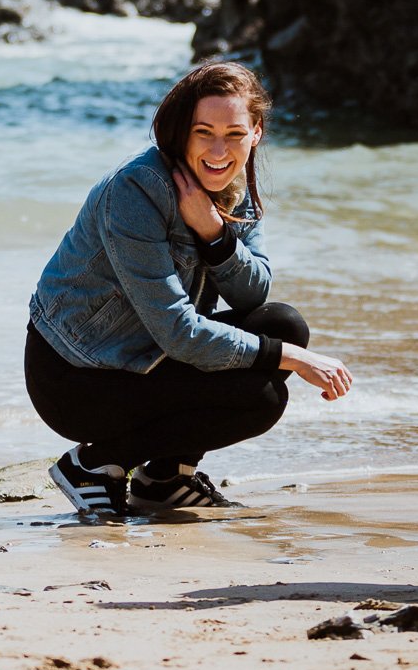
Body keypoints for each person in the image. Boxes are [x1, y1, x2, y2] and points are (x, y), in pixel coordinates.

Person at [25, 61, 352, 516]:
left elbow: (253, 294)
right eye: (204, 132)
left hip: (152, 362)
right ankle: (93, 465)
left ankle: (163, 479)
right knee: (263, 397)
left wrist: (215, 233)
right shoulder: (137, 188)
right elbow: (178, 331)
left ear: (255, 132)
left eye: (235, 134)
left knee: (283, 323)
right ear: (181, 132)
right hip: (78, 378)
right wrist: (291, 359)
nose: (220, 150)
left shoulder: (235, 187)